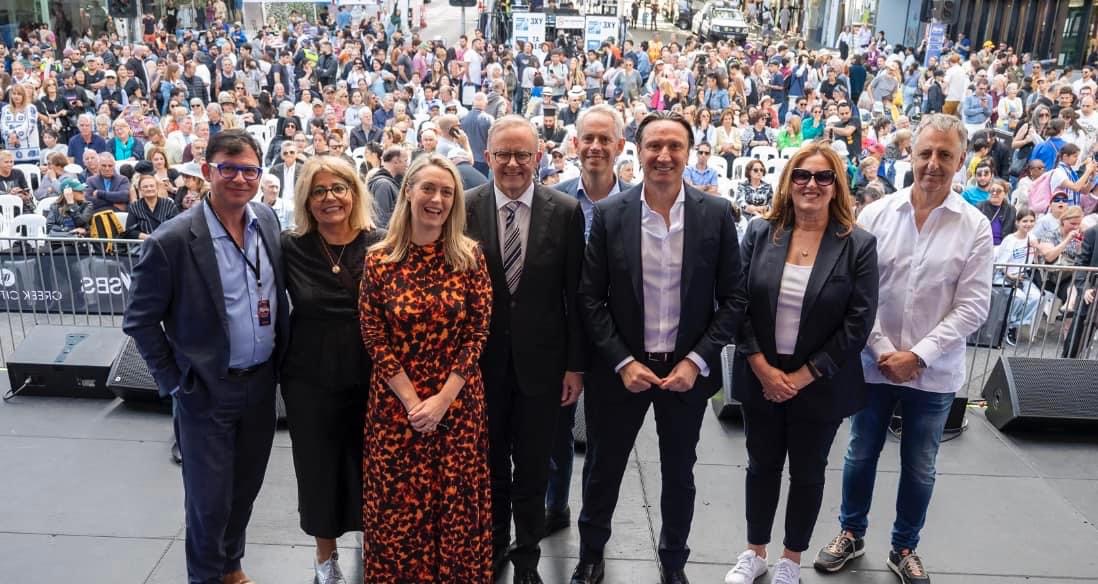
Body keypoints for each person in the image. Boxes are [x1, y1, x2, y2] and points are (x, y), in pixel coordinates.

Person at [814, 114, 993, 584]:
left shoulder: (974, 227)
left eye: (945, 155)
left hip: (934, 373)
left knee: (920, 466)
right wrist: (881, 349)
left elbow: (974, 306)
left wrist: (919, 354)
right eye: (925, 153)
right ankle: (851, 534)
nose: (933, 164)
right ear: (910, 155)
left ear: (961, 160)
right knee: (859, 454)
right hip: (872, 366)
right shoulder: (875, 215)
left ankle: (905, 547)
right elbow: (856, 293)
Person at [572, 111, 741, 584]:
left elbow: (734, 298)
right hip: (622, 370)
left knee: (680, 473)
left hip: (686, 372)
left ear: (690, 152)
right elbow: (590, 297)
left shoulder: (716, 214)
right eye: (654, 146)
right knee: (603, 468)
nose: (664, 156)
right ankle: (591, 555)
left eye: (674, 146)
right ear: (638, 150)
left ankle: (673, 562)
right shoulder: (611, 215)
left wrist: (697, 359)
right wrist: (622, 361)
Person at [123, 129, 290, 584]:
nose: (240, 178)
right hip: (206, 391)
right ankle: (205, 577)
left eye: (249, 170)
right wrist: (176, 383)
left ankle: (231, 566)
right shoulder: (172, 240)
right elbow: (139, 320)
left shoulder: (267, 220)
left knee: (244, 490)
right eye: (228, 168)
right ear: (206, 171)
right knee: (208, 502)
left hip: (261, 386)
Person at [725, 143, 879, 584]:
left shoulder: (858, 245)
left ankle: (791, 560)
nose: (811, 184)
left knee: (808, 473)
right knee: (761, 467)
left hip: (820, 384)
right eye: (802, 175)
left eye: (823, 176)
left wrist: (802, 376)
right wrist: (762, 367)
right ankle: (755, 552)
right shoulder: (760, 232)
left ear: (836, 186)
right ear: (788, 181)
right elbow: (736, 302)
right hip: (762, 377)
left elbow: (858, 322)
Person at [358, 154, 493, 582]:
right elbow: (373, 335)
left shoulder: (470, 257)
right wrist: (414, 402)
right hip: (396, 408)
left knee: (455, 510)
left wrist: (442, 401)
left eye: (447, 192)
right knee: (397, 510)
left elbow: (477, 332)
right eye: (429, 189)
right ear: (409, 193)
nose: (437, 199)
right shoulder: (379, 259)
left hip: (457, 405)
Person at [464, 115, 586, 583]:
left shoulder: (566, 211)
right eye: (503, 154)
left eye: (522, 155)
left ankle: (527, 558)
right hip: (481, 366)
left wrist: (575, 366)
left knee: (534, 469)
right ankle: (494, 546)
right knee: (490, 465)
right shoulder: (466, 207)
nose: (512, 164)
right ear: (487, 157)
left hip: (544, 367)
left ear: (538, 157)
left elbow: (575, 295)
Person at [281, 156, 384, 583]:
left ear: (354, 193)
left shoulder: (381, 243)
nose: (330, 198)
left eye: (338, 188)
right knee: (318, 469)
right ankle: (326, 559)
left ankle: (376, 546)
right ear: (306, 200)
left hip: (374, 375)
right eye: (319, 191)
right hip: (310, 378)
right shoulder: (290, 246)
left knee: (375, 467)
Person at [549, 104, 630, 536]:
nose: (595, 147)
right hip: (561, 335)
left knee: (602, 438)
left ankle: (592, 526)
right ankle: (555, 505)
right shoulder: (554, 200)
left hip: (613, 338)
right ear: (575, 143)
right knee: (555, 430)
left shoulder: (637, 204)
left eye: (605, 139)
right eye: (588, 138)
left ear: (620, 145)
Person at [994, 209, 1044, 346]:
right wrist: (1009, 275)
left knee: (1036, 297)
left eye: (1031, 221)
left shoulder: (1032, 238)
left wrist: (1037, 247)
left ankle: (1012, 325)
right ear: (1017, 222)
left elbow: (1037, 259)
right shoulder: (1010, 240)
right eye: (1025, 221)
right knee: (1019, 297)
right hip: (1004, 276)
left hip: (1023, 276)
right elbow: (1001, 264)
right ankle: (1007, 325)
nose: (1028, 224)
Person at [1064, 224, 1098, 358]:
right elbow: (1080, 265)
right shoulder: (1093, 232)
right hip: (1091, 296)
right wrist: (1085, 288)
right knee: (1074, 345)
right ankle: (1065, 368)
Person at [125, 173, 180, 239]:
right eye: (145, 187)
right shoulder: (135, 207)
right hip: (144, 242)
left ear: (157, 188)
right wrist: (149, 238)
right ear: (140, 190)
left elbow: (176, 226)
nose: (149, 189)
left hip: (166, 241)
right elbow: (129, 231)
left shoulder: (169, 204)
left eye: (152, 186)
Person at [367, 146, 409, 228]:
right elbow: (382, 221)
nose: (407, 164)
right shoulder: (383, 185)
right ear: (396, 161)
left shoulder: (389, 183)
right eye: (405, 161)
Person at [977, 179, 1017, 246]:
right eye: (992, 190)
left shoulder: (1011, 210)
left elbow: (1014, 232)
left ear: (1005, 194)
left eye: (998, 191)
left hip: (1003, 246)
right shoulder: (980, 207)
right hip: (984, 246)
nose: (994, 193)